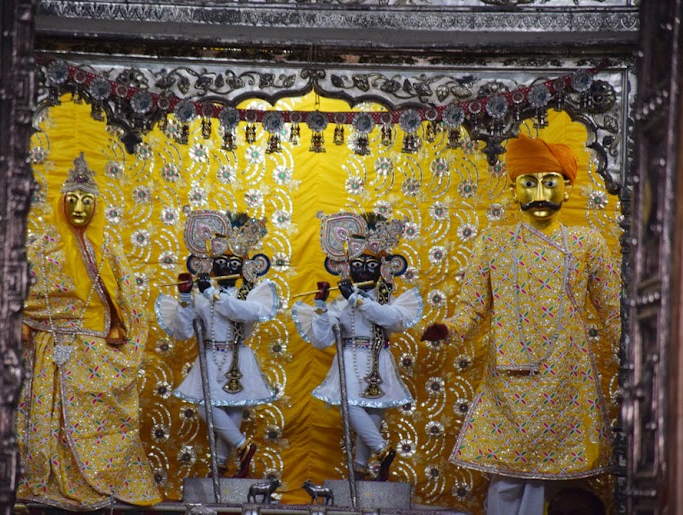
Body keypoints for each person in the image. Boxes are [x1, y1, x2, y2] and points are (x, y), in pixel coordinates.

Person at [420, 133, 621, 514]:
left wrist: (640, 358)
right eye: (529, 183)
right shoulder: (494, 243)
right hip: (510, 375)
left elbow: (612, 311)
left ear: (567, 187)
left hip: (566, 371)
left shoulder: (586, 242)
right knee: (507, 476)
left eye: (550, 181)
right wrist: (449, 329)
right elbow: (472, 308)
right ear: (514, 189)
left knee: (549, 480)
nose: (540, 191)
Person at [16, 153, 161, 511]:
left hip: (96, 356)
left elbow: (130, 306)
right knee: (48, 424)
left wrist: (123, 340)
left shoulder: (108, 250)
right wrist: (22, 321)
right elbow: (19, 297)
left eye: (87, 201)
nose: (79, 208)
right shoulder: (41, 250)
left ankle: (100, 484)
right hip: (50, 354)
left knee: (102, 423)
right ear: (60, 203)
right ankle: (47, 483)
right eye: (73, 200)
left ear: (97, 206)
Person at [292, 212, 422, 481]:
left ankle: (362, 470)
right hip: (351, 359)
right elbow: (322, 339)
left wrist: (358, 300)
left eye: (370, 265)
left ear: (381, 268)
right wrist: (319, 306)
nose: (363, 270)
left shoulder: (388, 300)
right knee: (349, 403)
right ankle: (381, 450)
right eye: (357, 264)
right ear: (348, 268)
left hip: (379, 358)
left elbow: (391, 320)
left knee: (372, 410)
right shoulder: (341, 303)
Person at [155, 210, 279, 479]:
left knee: (232, 407)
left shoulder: (253, 291)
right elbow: (183, 330)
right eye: (220, 261)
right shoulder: (203, 294)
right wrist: (187, 298)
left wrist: (212, 294)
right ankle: (240, 448)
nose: (226, 266)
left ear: (245, 263)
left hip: (238, 356)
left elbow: (244, 313)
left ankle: (223, 464)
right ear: (210, 263)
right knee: (207, 405)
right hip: (210, 357)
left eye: (233, 261)